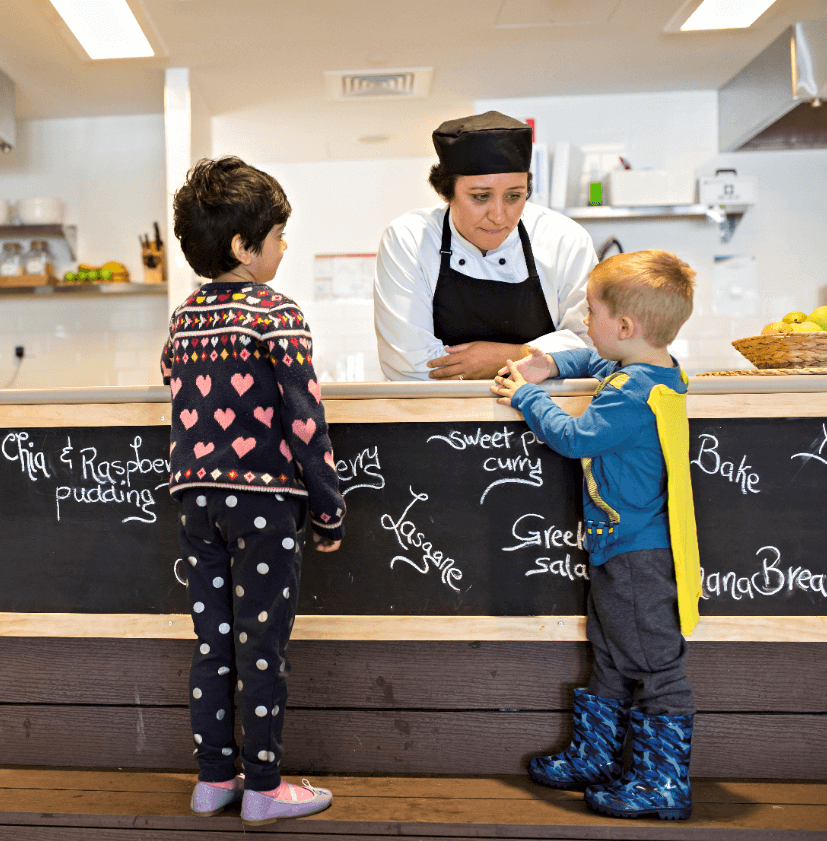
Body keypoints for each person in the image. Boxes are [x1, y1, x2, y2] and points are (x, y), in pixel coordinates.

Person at [160, 156, 345, 826]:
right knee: (261, 643)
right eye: (277, 235)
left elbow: (175, 390)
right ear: (244, 246)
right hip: (263, 502)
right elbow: (305, 419)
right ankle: (263, 785)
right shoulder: (277, 314)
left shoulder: (184, 319)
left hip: (195, 499)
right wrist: (328, 507)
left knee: (213, 641)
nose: (284, 245)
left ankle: (213, 779)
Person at [490, 249, 701, 821]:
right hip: (621, 547)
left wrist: (527, 396)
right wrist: (551, 366)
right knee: (609, 655)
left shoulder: (631, 394)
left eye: (591, 310)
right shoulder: (647, 369)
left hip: (639, 555)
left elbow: (577, 438)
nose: (585, 320)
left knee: (657, 669)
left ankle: (662, 786)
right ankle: (597, 758)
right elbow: (593, 356)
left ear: (626, 326)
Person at [375, 110, 597, 381]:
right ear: (447, 192)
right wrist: (539, 360)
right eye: (481, 197)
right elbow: (408, 365)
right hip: (442, 418)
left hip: (544, 418)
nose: (499, 216)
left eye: (514, 196)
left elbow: (593, 348)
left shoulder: (564, 240)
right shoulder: (410, 238)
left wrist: (508, 355)